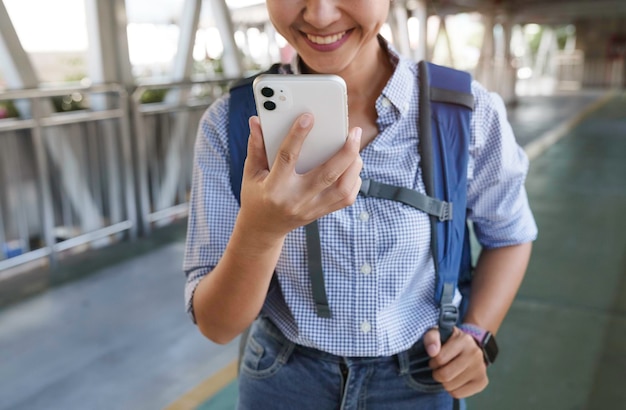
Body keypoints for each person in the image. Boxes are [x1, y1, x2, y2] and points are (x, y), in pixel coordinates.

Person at [183, 0, 538, 409]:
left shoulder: (466, 113)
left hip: (422, 377)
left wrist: (477, 335)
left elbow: (509, 235)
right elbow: (218, 325)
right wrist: (261, 231)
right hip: (283, 381)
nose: (319, 15)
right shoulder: (232, 123)